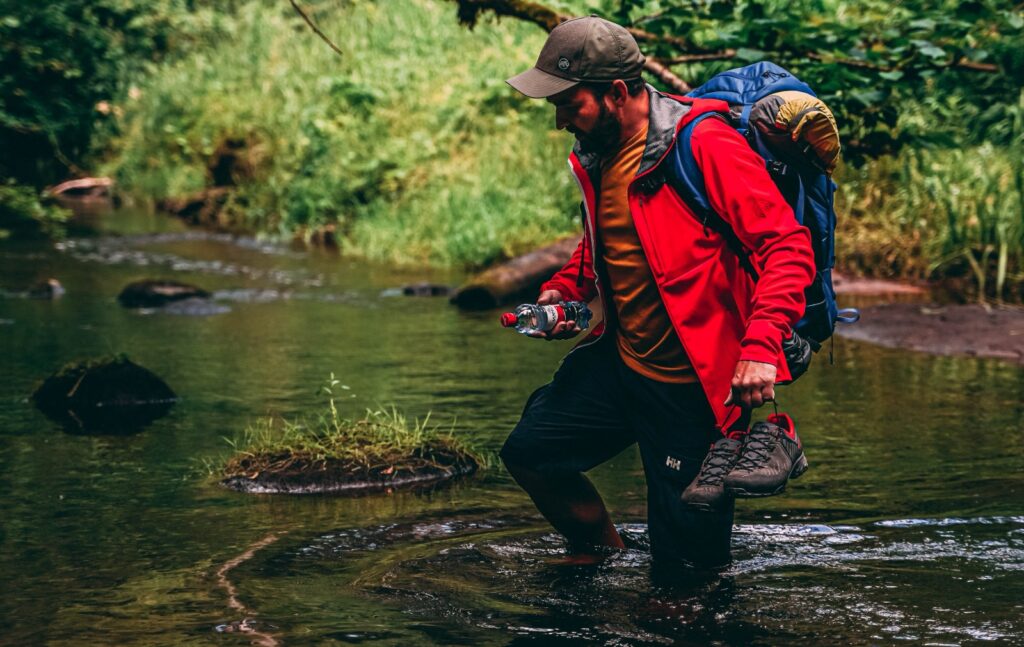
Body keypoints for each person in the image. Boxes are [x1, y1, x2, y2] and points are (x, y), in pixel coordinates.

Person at [498, 16, 817, 569]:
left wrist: (762, 347)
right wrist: (564, 289)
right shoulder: (599, 151)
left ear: (617, 92)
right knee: (530, 453)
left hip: (693, 390)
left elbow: (787, 247)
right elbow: (613, 237)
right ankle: (600, 558)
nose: (559, 119)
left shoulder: (705, 146)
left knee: (685, 579)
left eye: (570, 103)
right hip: (621, 367)